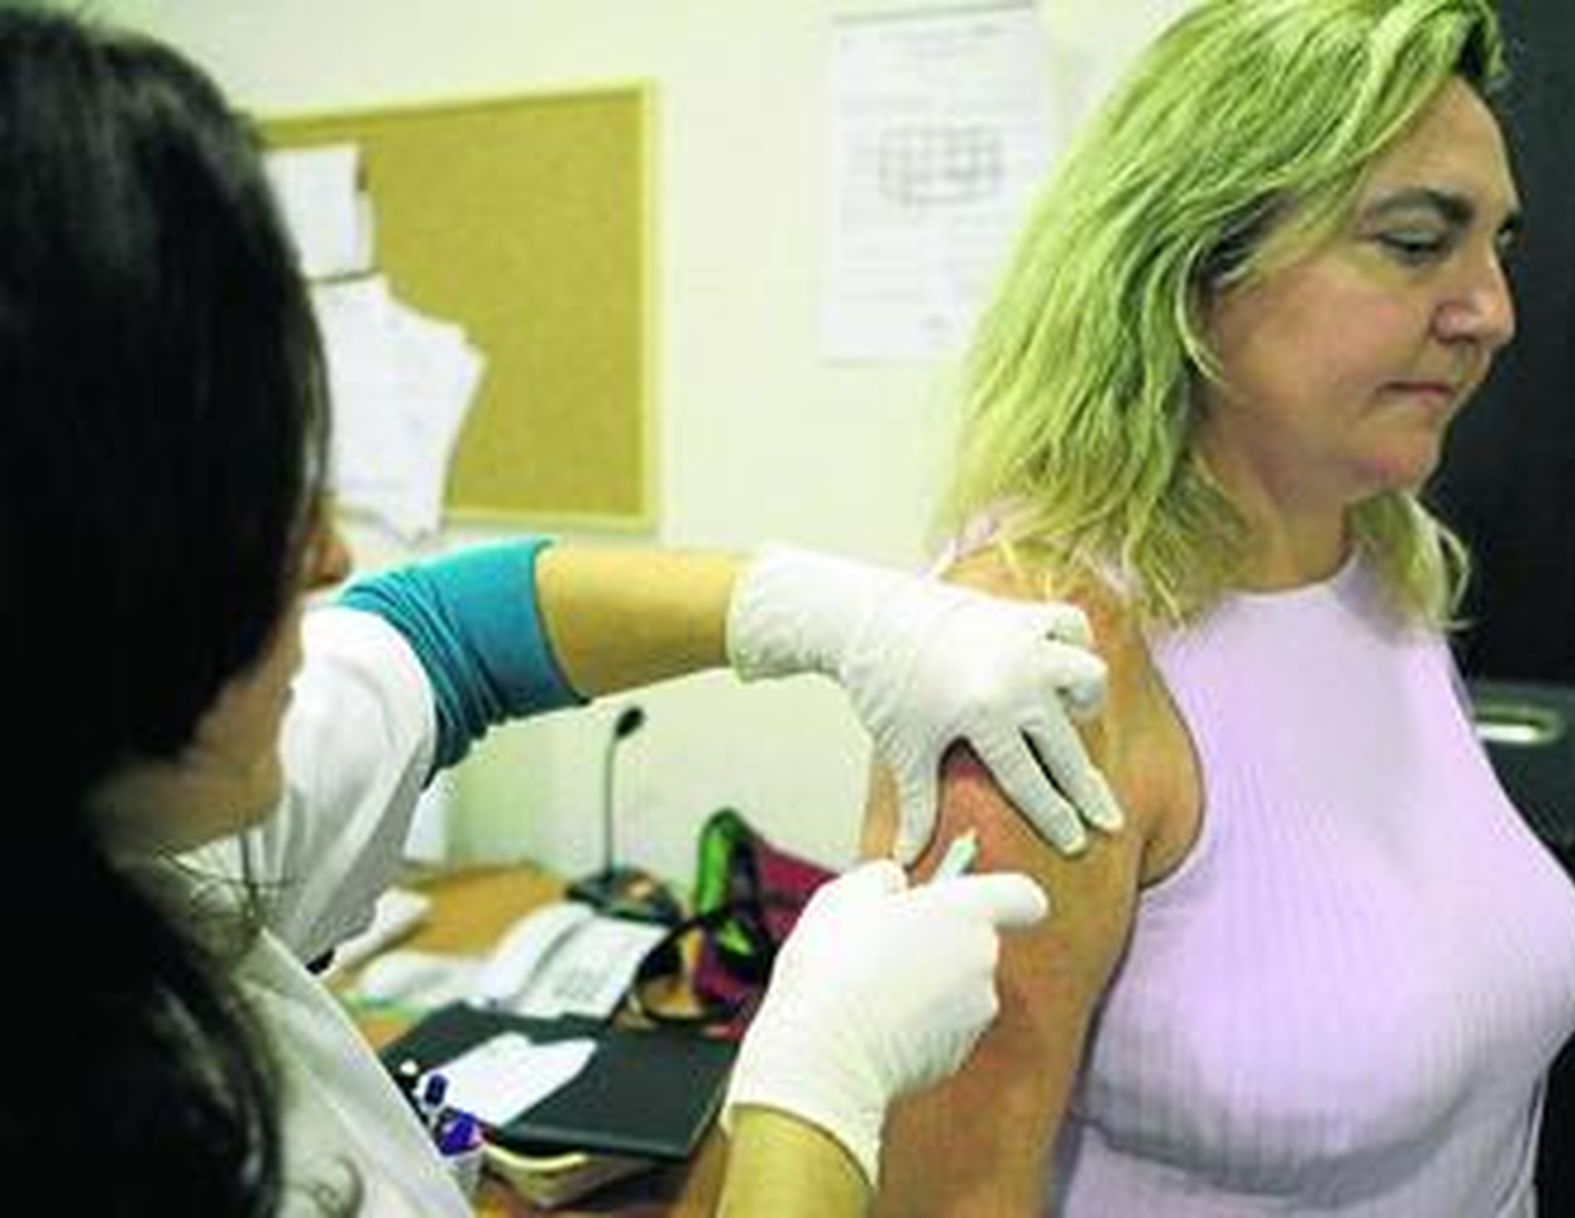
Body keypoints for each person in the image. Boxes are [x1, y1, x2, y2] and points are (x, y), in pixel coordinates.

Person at [0, 9, 1099, 1216]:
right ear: (74, 562)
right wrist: (817, 1086)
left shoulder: (138, 819)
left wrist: (828, 615)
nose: (328, 554)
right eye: (252, 492)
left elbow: (444, 636)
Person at [858, 1, 1575, 1214]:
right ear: (1191, 267)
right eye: (1417, 242)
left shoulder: (1379, 563)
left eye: (1497, 248)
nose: (1491, 313)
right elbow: (940, 1196)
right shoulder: (1038, 650)